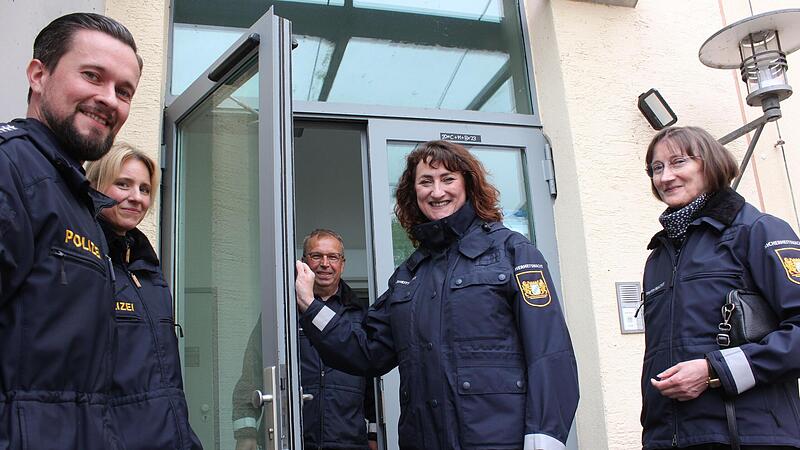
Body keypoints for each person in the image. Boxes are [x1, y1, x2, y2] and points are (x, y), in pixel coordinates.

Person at [295, 140, 579, 450]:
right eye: (425, 181)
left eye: (447, 178)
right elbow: (366, 350)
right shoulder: (409, 275)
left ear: (468, 184)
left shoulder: (512, 252)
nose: (437, 191)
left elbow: (550, 354)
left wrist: (545, 439)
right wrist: (311, 307)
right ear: (413, 193)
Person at [0, 12, 141, 450]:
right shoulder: (11, 172)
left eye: (124, 91)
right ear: (38, 75)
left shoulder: (75, 199)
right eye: (92, 76)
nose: (109, 100)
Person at [640, 126, 800, 449]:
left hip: (752, 436)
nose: (665, 177)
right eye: (657, 168)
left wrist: (715, 370)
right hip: (669, 440)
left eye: (678, 162)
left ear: (709, 163)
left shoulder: (757, 231)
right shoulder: (658, 257)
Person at [84, 144, 203, 450]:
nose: (136, 197)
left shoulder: (148, 270)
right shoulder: (83, 259)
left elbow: (165, 379)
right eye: (123, 184)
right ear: (96, 185)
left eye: (145, 189)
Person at [233, 229, 378, 450]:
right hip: (291, 439)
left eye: (333, 257)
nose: (325, 264)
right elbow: (251, 373)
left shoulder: (360, 314)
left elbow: (372, 383)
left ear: (343, 264)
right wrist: (246, 434)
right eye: (316, 256)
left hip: (348, 442)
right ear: (304, 263)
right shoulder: (282, 312)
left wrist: (373, 436)